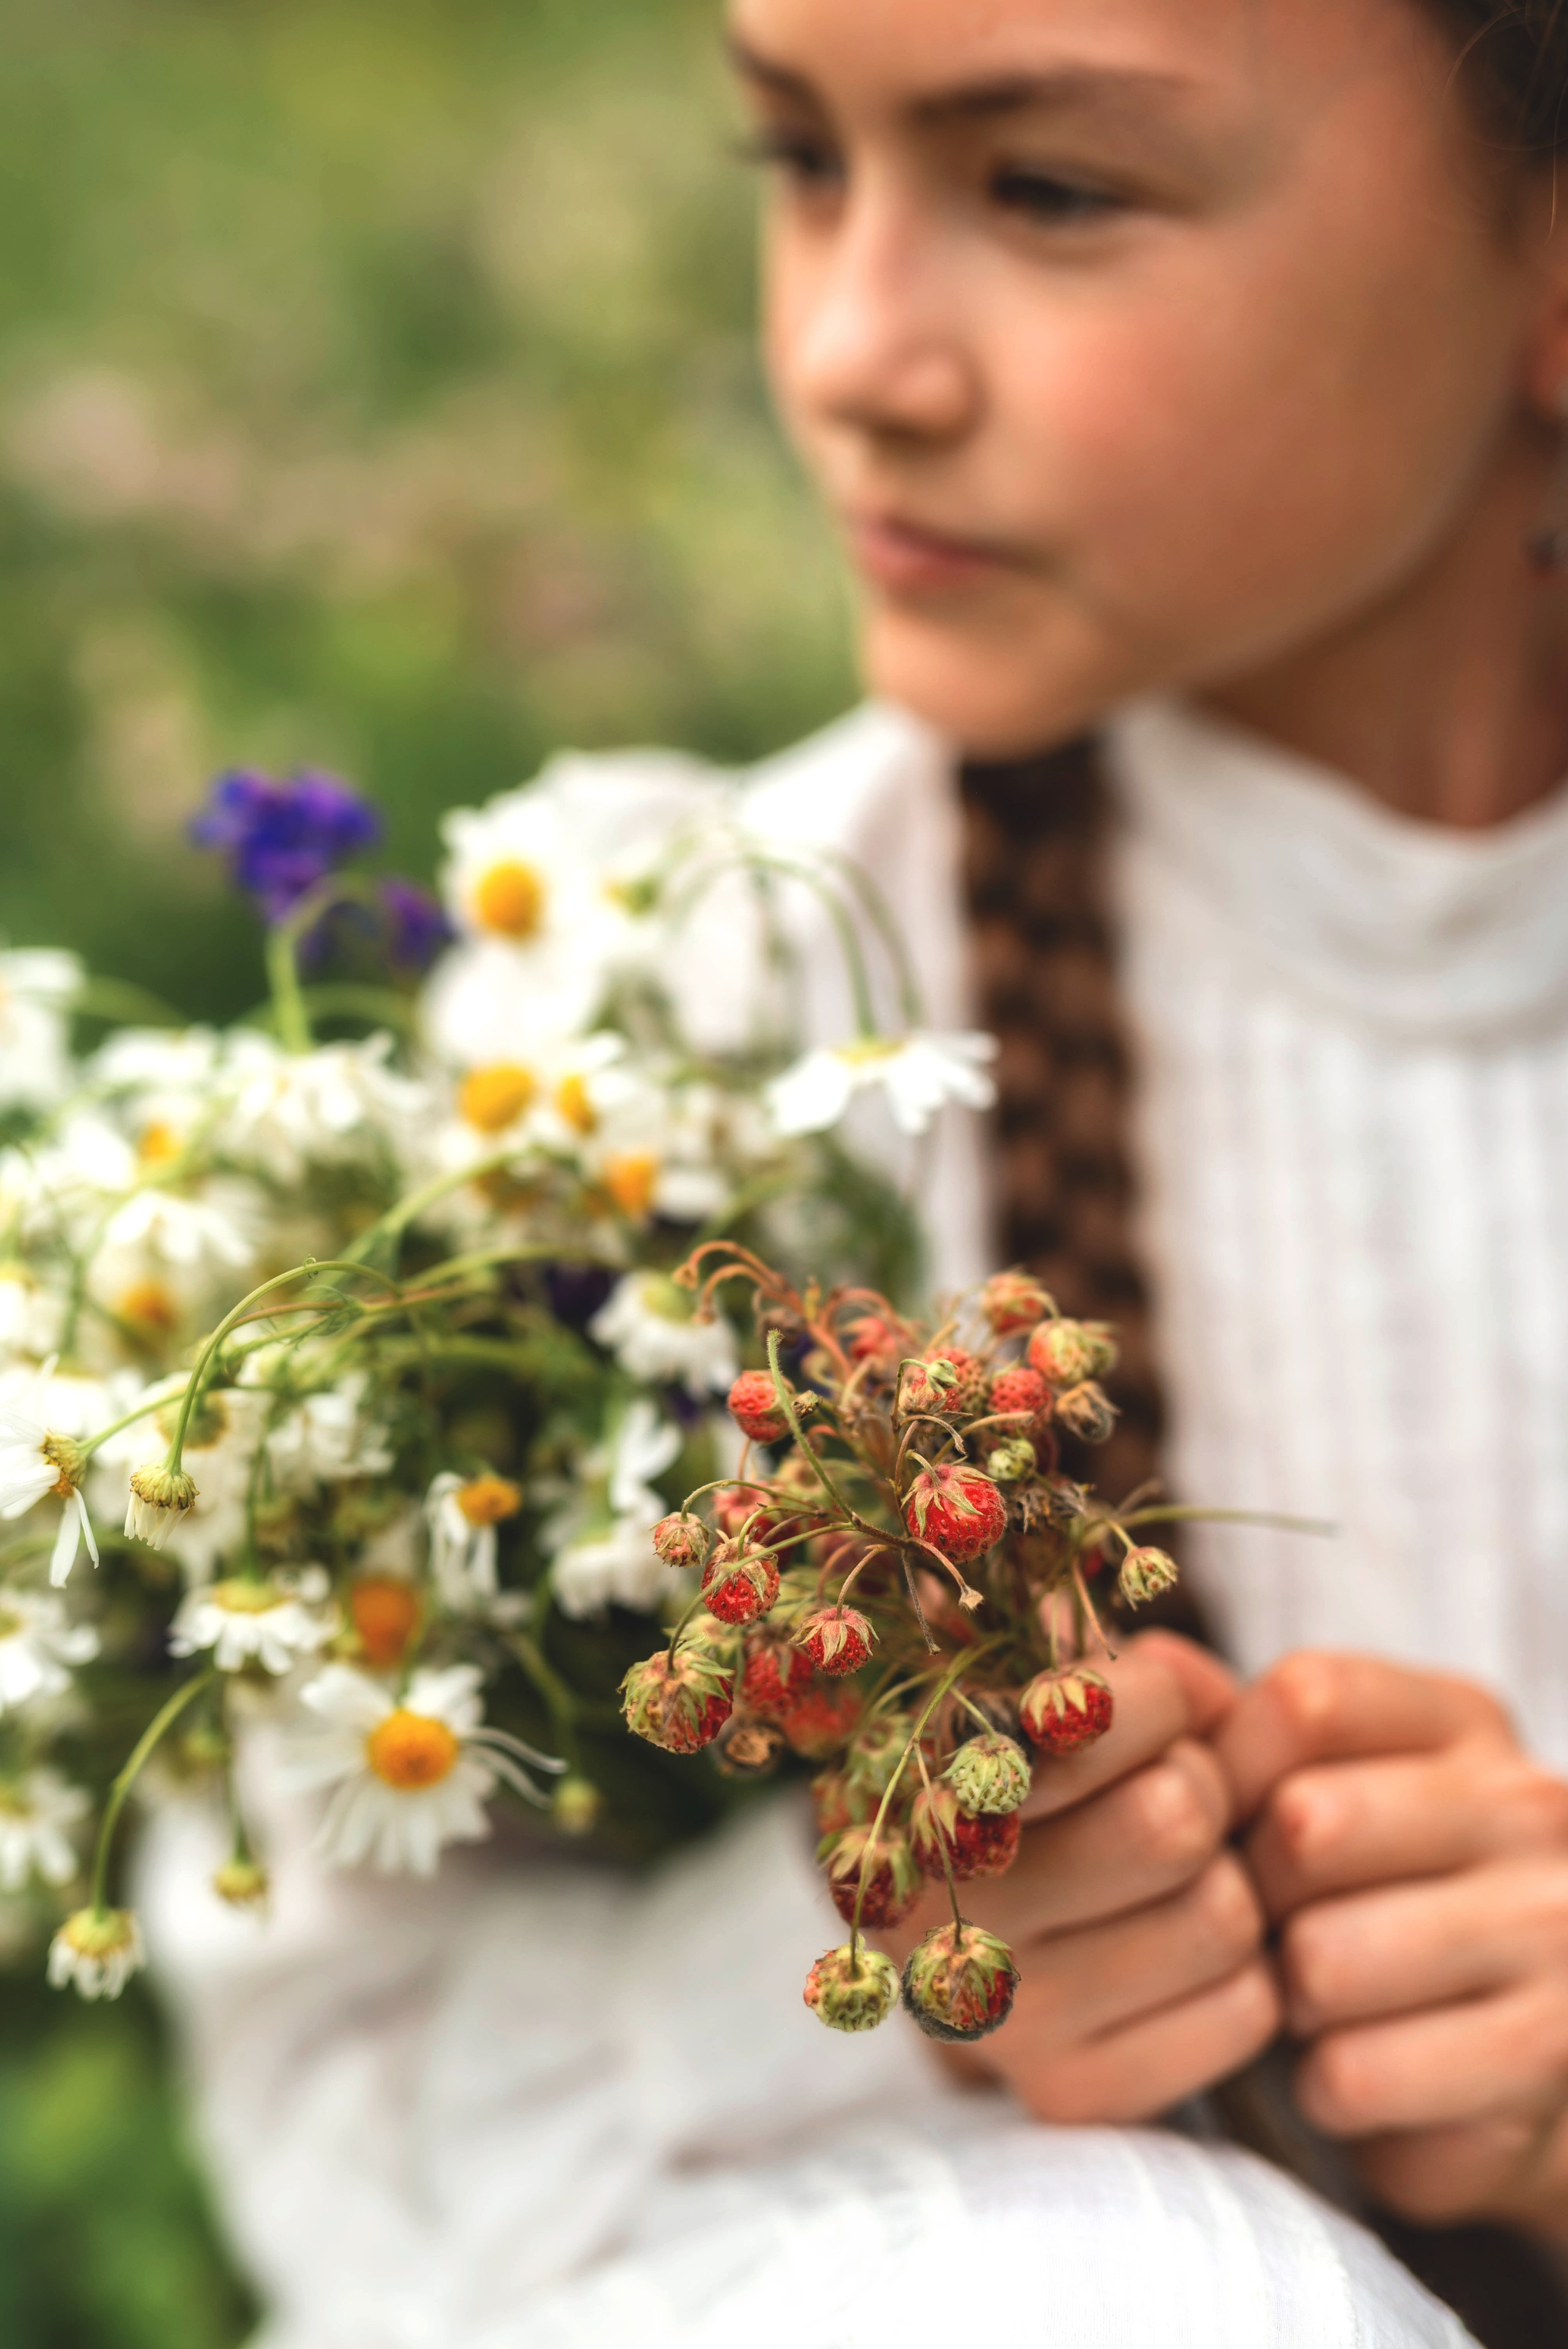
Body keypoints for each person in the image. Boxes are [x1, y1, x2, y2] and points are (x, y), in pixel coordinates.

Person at [141, 0, 1568, 2340]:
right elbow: (338, 2112)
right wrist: (874, 1961)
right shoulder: (664, 1041)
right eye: (798, 160)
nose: (850, 351)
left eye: (1047, 188)